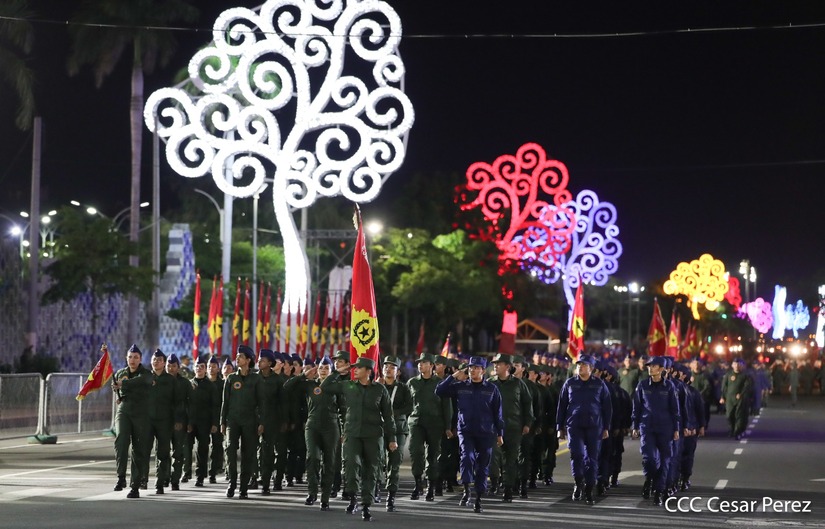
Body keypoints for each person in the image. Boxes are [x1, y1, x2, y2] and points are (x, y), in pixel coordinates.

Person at [320, 356, 397, 521]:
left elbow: (388, 416)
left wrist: (392, 438)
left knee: (371, 470)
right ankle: (353, 498)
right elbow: (325, 387)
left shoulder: (380, 390)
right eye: (354, 368)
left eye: (359, 368)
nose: (355, 370)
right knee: (350, 465)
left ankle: (366, 505)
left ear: (368, 371)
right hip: (352, 434)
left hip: (373, 435)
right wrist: (337, 372)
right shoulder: (348, 386)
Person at [435, 356, 504, 514]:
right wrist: (453, 376)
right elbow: (439, 391)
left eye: (476, 368)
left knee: (482, 465)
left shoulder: (492, 389)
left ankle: (478, 497)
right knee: (467, 458)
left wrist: (500, 433)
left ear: (483, 371)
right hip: (466, 431)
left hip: (486, 432)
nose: (473, 370)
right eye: (471, 367)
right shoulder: (461, 386)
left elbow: (498, 413)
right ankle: (466, 490)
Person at [284, 355, 340, 510]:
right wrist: (303, 375)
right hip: (312, 425)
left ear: (331, 371)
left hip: (331, 426)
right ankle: (312, 492)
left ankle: (325, 497)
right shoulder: (309, 385)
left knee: (329, 462)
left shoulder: (336, 386)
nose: (323, 370)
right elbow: (287, 386)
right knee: (313, 458)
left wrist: (343, 430)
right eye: (321, 368)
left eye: (327, 368)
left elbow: (343, 409)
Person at [556, 353, 612, 505]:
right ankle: (578, 482)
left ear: (591, 368)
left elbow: (607, 407)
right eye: (579, 364)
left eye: (584, 365)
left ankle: (589, 488)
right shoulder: (570, 383)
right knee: (577, 455)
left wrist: (606, 427)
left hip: (594, 427)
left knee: (592, 458)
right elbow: (562, 405)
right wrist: (559, 426)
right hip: (574, 426)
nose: (580, 367)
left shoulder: (599, 384)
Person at [631, 356, 680, 507]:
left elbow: (675, 409)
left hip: (666, 429)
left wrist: (676, 428)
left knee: (665, 461)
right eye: (649, 366)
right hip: (647, 428)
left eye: (653, 366)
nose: (650, 368)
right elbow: (637, 407)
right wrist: (635, 426)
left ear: (661, 369)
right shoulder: (642, 385)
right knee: (649, 459)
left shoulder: (669, 386)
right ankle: (650, 479)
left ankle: (659, 492)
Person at [407, 352, 452, 501]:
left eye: (424, 362)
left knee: (433, 455)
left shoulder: (440, 383)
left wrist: (447, 426)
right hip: (416, 423)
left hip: (434, 424)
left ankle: (431, 487)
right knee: (416, 452)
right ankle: (417, 483)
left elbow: (446, 407)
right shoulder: (412, 382)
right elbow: (407, 403)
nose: (420, 365)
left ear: (431, 365)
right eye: (419, 362)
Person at [221, 345, 264, 499]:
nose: (237, 358)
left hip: (250, 421)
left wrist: (261, 422)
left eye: (240, 357)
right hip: (232, 420)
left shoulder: (256, 379)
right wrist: (222, 421)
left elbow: (262, 402)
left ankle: (243, 487)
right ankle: (232, 482)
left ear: (248, 360)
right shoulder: (231, 378)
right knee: (230, 450)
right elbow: (225, 402)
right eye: (237, 356)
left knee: (248, 453)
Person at [489, 353, 534, 502]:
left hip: (513, 428)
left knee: (510, 460)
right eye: (495, 364)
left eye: (499, 364)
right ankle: (494, 482)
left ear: (507, 366)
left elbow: (527, 403)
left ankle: (508, 489)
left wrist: (527, 423)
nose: (495, 366)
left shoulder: (518, 384)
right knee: (493, 457)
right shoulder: (490, 384)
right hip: (493, 428)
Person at [112, 344, 152, 498]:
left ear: (140, 359)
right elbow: (118, 390)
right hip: (124, 410)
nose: (132, 360)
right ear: (126, 358)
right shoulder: (121, 373)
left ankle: (135, 485)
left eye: (135, 357)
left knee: (138, 448)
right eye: (130, 357)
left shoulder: (146, 374)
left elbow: (140, 381)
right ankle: (121, 477)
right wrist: (116, 390)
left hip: (141, 412)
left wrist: (123, 384)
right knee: (121, 440)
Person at [143, 349, 180, 495]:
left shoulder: (171, 380)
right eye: (154, 359)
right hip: (147, 420)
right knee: (144, 451)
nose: (156, 362)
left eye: (159, 360)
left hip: (165, 421)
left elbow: (177, 402)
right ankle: (143, 479)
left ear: (164, 363)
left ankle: (160, 482)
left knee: (163, 453)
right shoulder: (145, 377)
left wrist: (177, 420)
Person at [380, 355, 413, 512]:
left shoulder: (403, 388)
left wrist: (394, 413)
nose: (388, 369)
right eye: (386, 366)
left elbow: (410, 407)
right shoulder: (377, 387)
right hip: (380, 429)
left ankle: (391, 495)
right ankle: (375, 487)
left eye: (392, 367)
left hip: (398, 429)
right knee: (377, 460)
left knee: (394, 461)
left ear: (398, 372)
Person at [187, 355, 219, 487]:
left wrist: (214, 423)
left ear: (205, 369)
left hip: (205, 422)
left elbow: (215, 406)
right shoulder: (189, 384)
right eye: (197, 366)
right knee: (187, 448)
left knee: (202, 449)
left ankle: (200, 476)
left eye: (202, 366)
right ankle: (186, 472)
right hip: (190, 421)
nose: (199, 368)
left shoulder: (210, 386)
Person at [256, 349, 284, 495]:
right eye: (259, 360)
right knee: (252, 451)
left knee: (267, 452)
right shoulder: (254, 378)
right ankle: (253, 478)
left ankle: (266, 483)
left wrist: (283, 421)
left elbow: (282, 403)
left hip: (272, 420)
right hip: (254, 419)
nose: (259, 362)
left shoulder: (277, 380)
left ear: (269, 363)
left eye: (262, 360)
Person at [165, 353, 191, 489]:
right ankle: (164, 477)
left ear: (178, 367)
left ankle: (175, 479)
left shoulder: (185, 383)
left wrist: (187, 422)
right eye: (168, 366)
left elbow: (189, 404)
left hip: (179, 422)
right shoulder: (160, 381)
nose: (171, 368)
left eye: (173, 366)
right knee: (163, 451)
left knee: (178, 451)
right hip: (163, 421)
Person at [720, 358, 753, 438]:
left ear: (742, 366)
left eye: (739, 364)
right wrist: (722, 397)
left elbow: (747, 386)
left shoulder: (745, 376)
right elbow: (724, 386)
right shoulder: (728, 375)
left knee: (739, 415)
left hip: (740, 399)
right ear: (732, 365)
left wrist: (741, 394)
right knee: (729, 415)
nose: (737, 366)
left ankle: (737, 431)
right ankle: (732, 428)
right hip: (729, 399)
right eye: (735, 364)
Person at [207, 355, 226, 483]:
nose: (211, 368)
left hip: (217, 418)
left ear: (218, 369)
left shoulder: (222, 384)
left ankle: (213, 471)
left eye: (214, 366)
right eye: (209, 366)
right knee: (203, 446)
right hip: (204, 418)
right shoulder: (203, 383)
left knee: (216, 445)